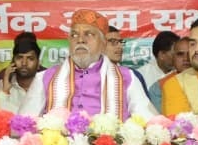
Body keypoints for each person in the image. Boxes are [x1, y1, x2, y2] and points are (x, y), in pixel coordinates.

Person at [20, 9, 155, 119]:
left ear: (103, 44)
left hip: (109, 143)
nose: (80, 40)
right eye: (74, 35)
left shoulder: (127, 77)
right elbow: (23, 124)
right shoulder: (44, 78)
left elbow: (150, 123)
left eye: (88, 34)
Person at [0, 32, 44, 113]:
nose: (24, 63)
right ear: (13, 61)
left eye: (30, 58)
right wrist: (5, 91)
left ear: (38, 63)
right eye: (19, 58)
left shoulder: (47, 86)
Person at [147, 37, 191, 112]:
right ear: (173, 58)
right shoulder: (158, 88)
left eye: (190, 54)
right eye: (180, 54)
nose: (186, 59)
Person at [106, 24, 146, 89]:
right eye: (113, 42)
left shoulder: (133, 75)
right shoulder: (88, 74)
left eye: (121, 42)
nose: (120, 47)